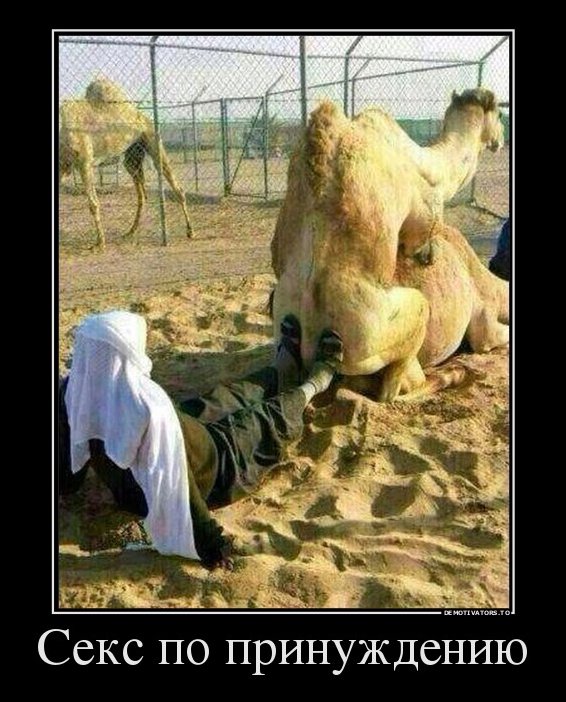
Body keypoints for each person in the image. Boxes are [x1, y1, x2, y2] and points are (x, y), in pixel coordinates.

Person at [59, 310, 343, 569]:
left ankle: (280, 371)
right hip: (217, 467)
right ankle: (315, 383)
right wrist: (213, 545)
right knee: (267, 417)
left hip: (151, 471)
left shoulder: (74, 393)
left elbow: (68, 472)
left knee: (228, 396)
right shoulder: (149, 409)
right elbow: (176, 482)